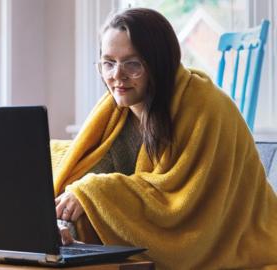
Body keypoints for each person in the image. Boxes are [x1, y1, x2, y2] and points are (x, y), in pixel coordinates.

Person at [51, 8, 277, 269]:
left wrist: (93, 191)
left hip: (242, 246)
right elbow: (86, 177)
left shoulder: (209, 108)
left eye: (132, 64)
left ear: (159, 63)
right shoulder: (116, 112)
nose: (116, 75)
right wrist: (62, 221)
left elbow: (183, 208)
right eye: (108, 62)